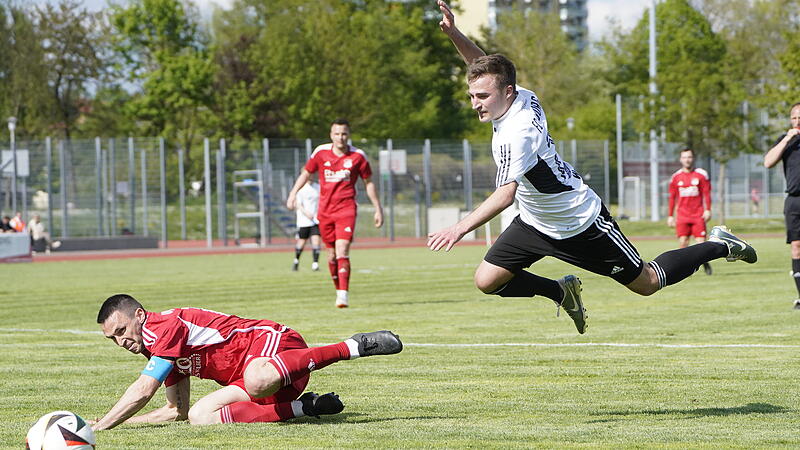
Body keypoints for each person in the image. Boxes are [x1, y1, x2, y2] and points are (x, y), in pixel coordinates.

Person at [427, 1, 757, 334]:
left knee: (646, 282)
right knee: (487, 280)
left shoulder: (517, 133)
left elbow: (504, 196)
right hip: (536, 222)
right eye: (472, 96)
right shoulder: (520, 95)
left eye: (481, 97)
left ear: (506, 93)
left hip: (580, 221)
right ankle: (561, 291)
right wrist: (455, 34)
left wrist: (458, 228)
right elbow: (484, 68)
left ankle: (721, 244)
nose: (475, 104)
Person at [91, 294, 403, 431]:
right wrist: (116, 425)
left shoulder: (165, 327)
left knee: (256, 378)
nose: (122, 342)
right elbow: (177, 411)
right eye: (113, 339)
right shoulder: (156, 349)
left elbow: (145, 389)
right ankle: (305, 408)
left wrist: (103, 424)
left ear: (140, 316)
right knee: (200, 416)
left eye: (122, 331)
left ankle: (351, 346)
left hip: (278, 348)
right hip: (269, 384)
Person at [286, 119, 384, 308]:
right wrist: (293, 193)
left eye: (344, 133)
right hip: (324, 212)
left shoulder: (358, 156)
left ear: (349, 135)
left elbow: (368, 182)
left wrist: (378, 208)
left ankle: (343, 295)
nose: (341, 137)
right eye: (337, 134)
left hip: (346, 210)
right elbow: (306, 173)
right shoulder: (321, 153)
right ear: (331, 135)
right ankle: (338, 288)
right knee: (331, 255)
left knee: (342, 250)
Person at [764, 102, 800, 310]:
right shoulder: (786, 141)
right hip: (794, 200)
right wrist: (788, 138)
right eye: (794, 118)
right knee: (796, 246)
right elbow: (768, 162)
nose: (797, 122)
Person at [667, 148, 713, 275]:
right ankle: (685, 269)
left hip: (698, 214)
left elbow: (707, 194)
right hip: (682, 215)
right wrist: (670, 216)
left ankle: (705, 263)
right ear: (680, 159)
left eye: (689, 157)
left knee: (701, 244)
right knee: (683, 243)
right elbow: (672, 197)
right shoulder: (676, 177)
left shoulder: (701, 175)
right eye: (684, 157)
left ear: (693, 159)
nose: (687, 160)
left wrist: (708, 210)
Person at [292, 179, 321, 272]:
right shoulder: (301, 188)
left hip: (315, 220)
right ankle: (296, 261)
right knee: (302, 242)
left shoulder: (318, 187)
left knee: (316, 241)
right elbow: (298, 204)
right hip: (304, 221)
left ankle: (315, 264)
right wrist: (306, 213)